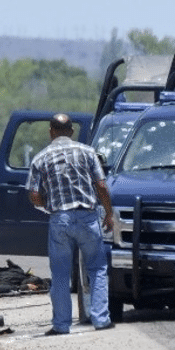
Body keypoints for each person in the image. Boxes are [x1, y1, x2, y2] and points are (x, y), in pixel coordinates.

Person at [27, 114, 115, 334]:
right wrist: (109, 214)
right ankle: (101, 320)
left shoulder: (40, 158)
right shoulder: (87, 153)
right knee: (97, 268)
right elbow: (102, 186)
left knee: (59, 274)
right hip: (87, 217)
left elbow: (34, 194)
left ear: (51, 132)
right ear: (72, 131)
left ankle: (61, 325)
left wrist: (48, 208)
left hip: (60, 220)